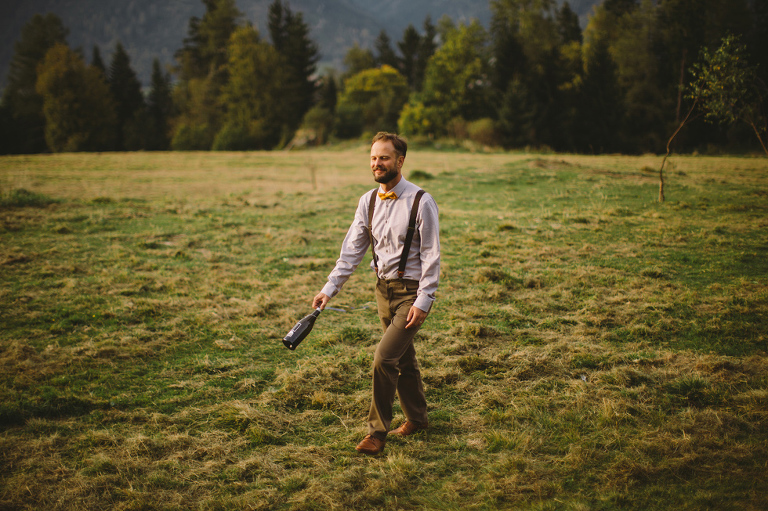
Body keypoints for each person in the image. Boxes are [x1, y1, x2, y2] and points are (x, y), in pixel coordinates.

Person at [312, 132, 440, 455]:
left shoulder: (421, 201)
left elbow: (432, 257)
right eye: (373, 158)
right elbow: (352, 252)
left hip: (411, 293)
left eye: (383, 158)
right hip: (383, 291)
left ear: (400, 161)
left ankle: (377, 433)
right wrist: (329, 289)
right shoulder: (367, 201)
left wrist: (424, 300)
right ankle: (419, 418)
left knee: (384, 358)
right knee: (403, 358)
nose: (377, 164)